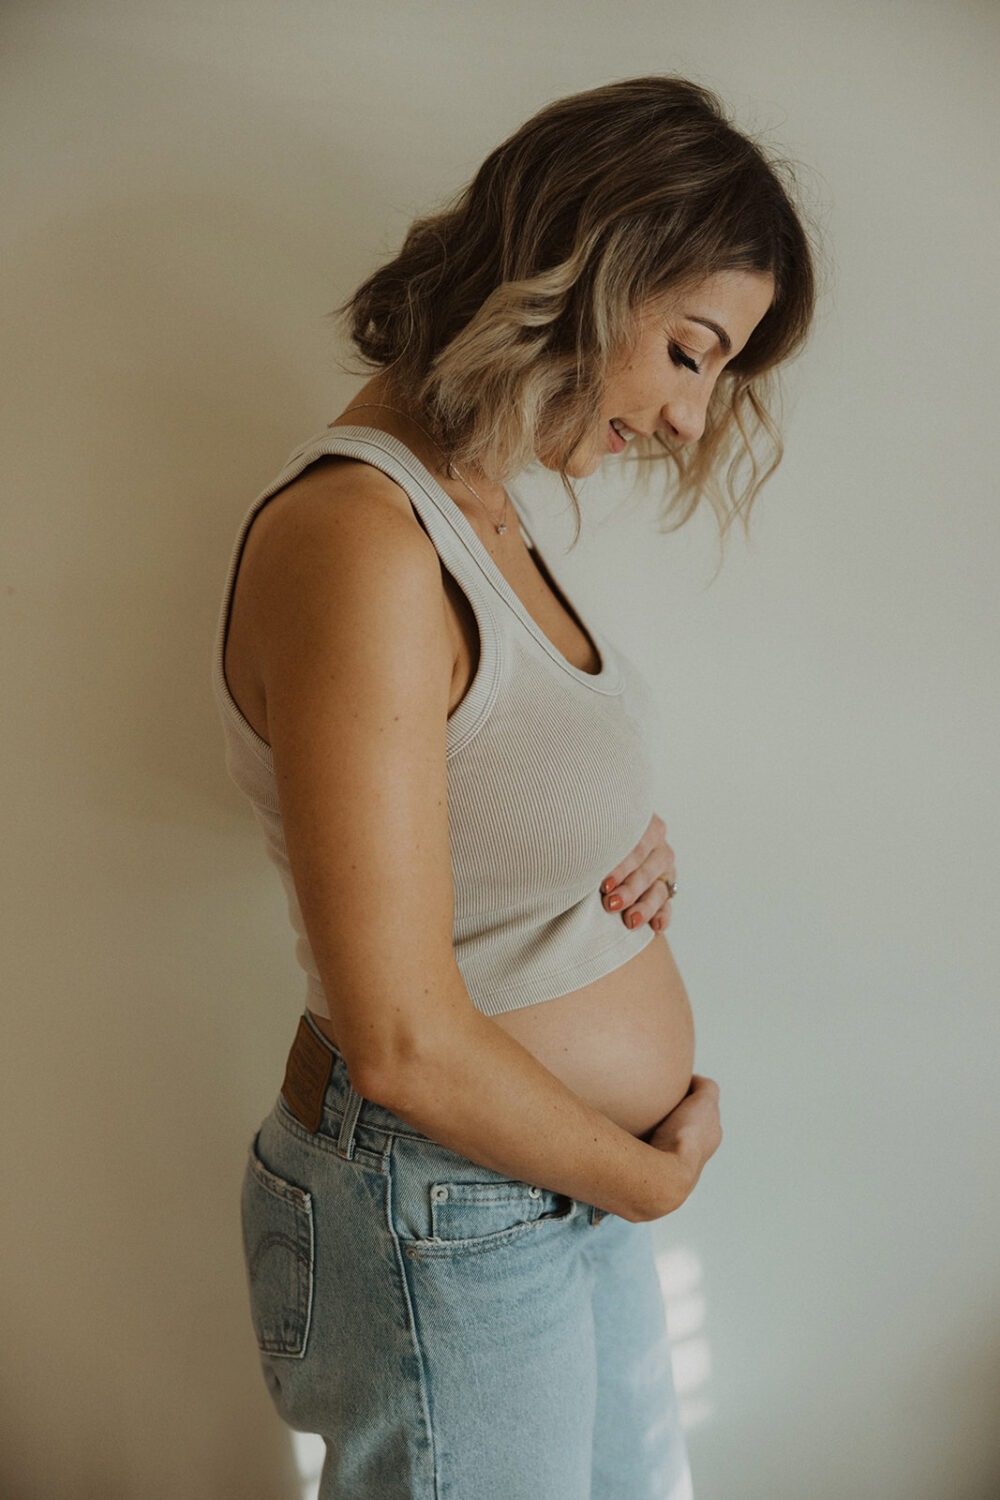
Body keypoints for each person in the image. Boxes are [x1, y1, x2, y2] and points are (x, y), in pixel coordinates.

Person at [214, 76, 814, 1500]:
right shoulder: (362, 537)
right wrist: (646, 1179)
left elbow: (472, 799)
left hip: (541, 1192)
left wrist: (610, 848)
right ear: (590, 262)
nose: (688, 417)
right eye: (688, 350)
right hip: (445, 1207)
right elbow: (407, 1041)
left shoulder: (488, 509)